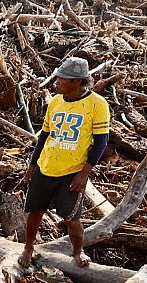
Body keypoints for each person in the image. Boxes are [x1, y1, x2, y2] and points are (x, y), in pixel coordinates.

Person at [19, 57, 110, 271]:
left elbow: (101, 142)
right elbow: (44, 136)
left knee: (71, 218)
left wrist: (84, 173)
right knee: (35, 211)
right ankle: (28, 247)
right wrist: (32, 165)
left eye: (63, 78)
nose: (57, 81)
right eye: (58, 76)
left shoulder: (97, 104)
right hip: (46, 166)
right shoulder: (55, 102)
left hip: (72, 171)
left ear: (78, 82)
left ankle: (78, 251)